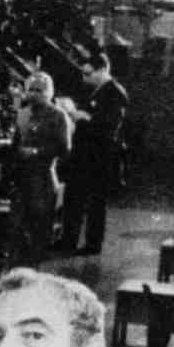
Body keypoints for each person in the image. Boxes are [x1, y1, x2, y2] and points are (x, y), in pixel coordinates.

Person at [56, 50, 129, 256]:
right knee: (74, 198)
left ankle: (92, 245)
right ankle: (68, 240)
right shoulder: (96, 90)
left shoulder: (115, 93)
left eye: (88, 74)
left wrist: (83, 117)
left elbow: (109, 127)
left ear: (103, 70)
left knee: (96, 203)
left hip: (100, 156)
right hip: (84, 154)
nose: (84, 78)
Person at [6, 73, 73, 265]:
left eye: (39, 90)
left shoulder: (58, 116)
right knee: (17, 231)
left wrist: (37, 152)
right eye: (31, 90)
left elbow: (65, 149)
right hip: (21, 179)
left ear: (49, 92)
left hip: (43, 180)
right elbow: (15, 143)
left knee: (39, 233)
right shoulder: (22, 114)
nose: (34, 94)